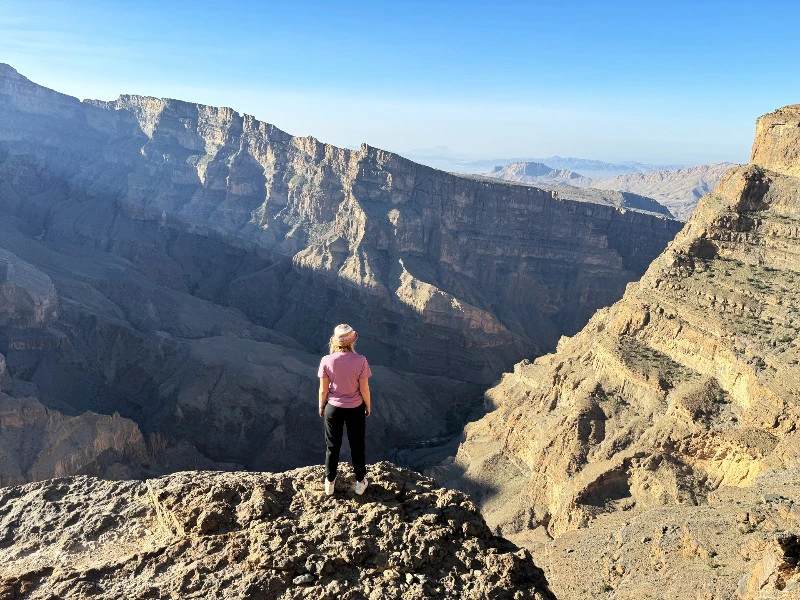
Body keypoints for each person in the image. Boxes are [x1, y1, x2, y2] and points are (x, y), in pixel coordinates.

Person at [318, 323, 372, 496]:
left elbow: (323, 390)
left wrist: (321, 406)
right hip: (355, 408)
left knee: (332, 446)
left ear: (335, 342)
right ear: (352, 341)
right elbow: (364, 388)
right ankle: (361, 482)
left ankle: (330, 482)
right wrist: (368, 405)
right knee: (357, 446)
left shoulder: (326, 360)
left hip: (332, 408)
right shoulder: (360, 360)